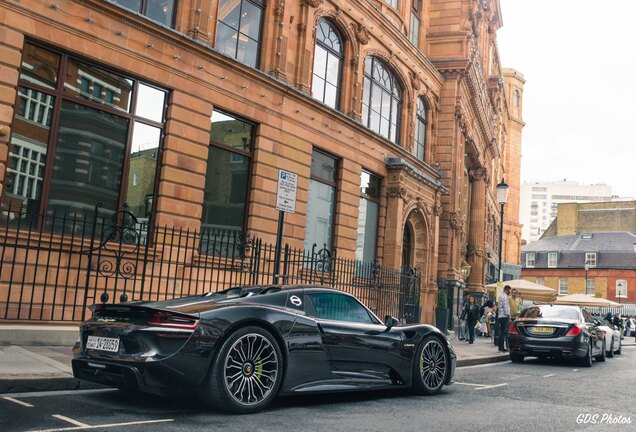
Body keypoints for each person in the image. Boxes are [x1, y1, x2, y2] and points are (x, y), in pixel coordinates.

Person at [497, 285, 512, 352]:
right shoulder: (505, 297)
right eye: (509, 290)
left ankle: (500, 347)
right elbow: (506, 308)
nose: (510, 292)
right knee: (503, 332)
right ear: (507, 289)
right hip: (504, 316)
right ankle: (501, 348)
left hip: (500, 316)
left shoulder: (500, 296)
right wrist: (509, 316)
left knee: (501, 332)